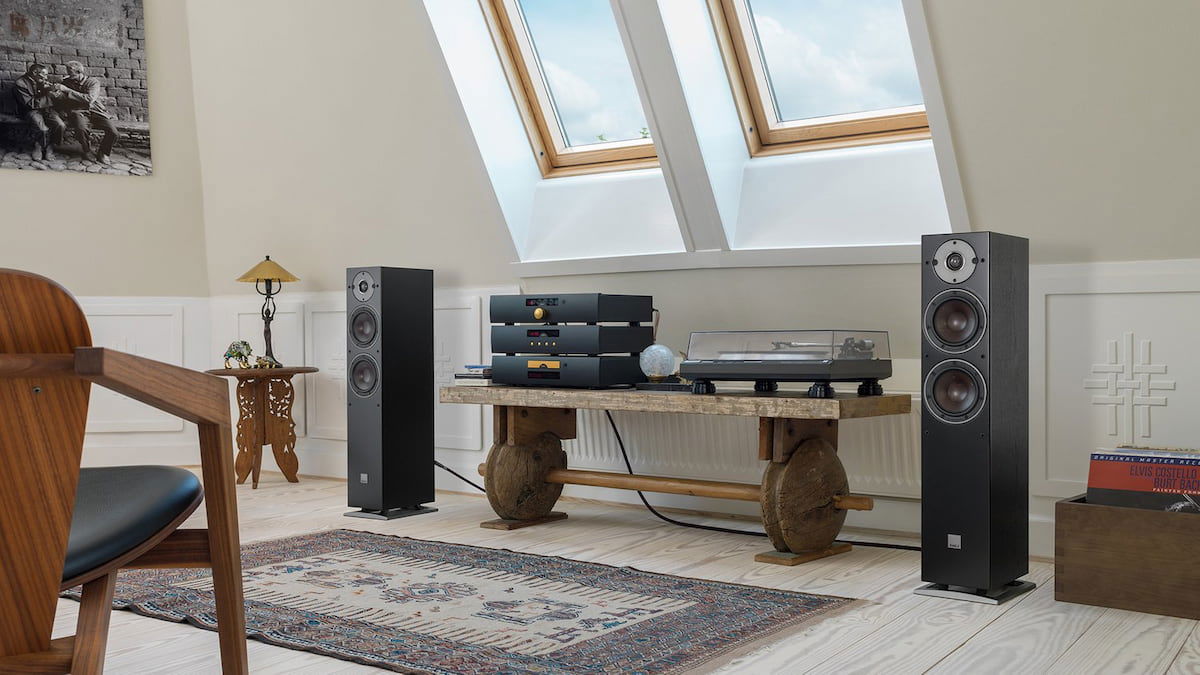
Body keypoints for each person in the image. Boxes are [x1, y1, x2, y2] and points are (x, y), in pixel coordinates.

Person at [57, 60, 120, 165]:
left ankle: (103, 152)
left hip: (96, 111)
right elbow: (62, 99)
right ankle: (86, 150)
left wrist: (67, 90)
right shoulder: (66, 82)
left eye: (71, 73)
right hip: (78, 111)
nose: (69, 75)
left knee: (114, 132)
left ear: (79, 72)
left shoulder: (92, 82)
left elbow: (89, 99)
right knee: (81, 129)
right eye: (68, 72)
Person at [12, 63, 66, 161]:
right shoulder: (20, 83)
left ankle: (50, 146)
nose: (46, 77)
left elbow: (47, 94)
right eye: (44, 74)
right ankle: (38, 146)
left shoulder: (39, 80)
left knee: (60, 125)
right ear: (35, 72)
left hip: (46, 108)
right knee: (43, 129)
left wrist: (54, 92)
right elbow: (30, 104)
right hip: (30, 110)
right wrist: (49, 95)